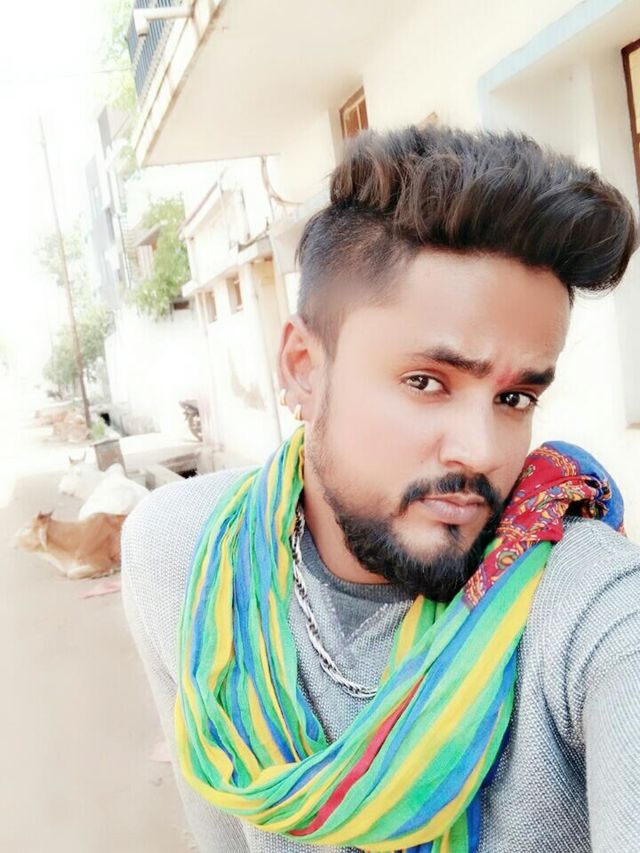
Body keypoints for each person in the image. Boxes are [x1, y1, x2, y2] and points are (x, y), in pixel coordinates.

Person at [122, 125, 640, 853]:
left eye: (516, 398)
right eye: (427, 382)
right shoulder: (181, 555)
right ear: (304, 368)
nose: (483, 451)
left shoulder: (590, 606)